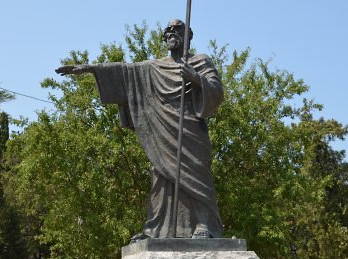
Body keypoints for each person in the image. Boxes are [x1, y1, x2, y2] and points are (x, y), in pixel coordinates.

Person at [55, 19, 224, 240]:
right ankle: (157, 230)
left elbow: (217, 92)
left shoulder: (200, 61)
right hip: (163, 132)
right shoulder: (154, 67)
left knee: (197, 175)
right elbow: (126, 72)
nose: (171, 33)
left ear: (188, 35)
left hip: (190, 127)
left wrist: (195, 77)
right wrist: (93, 69)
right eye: (168, 31)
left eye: (177, 29)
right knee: (161, 177)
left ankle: (204, 225)